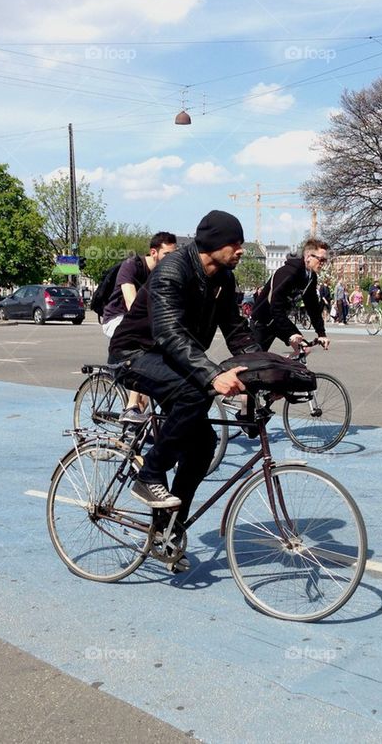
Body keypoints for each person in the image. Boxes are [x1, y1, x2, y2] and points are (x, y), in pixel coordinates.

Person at [107, 210, 259, 572]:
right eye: (234, 243)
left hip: (172, 358)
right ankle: (150, 474)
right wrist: (211, 376)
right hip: (135, 355)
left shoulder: (222, 278)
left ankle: (167, 529)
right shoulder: (172, 271)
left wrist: (269, 371)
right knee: (197, 392)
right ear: (212, 244)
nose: (240, 249)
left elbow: (236, 331)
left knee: (204, 444)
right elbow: (168, 332)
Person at [101, 232, 178, 423]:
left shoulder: (165, 273)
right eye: (168, 254)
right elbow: (131, 303)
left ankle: (145, 413)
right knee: (142, 349)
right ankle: (131, 407)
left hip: (143, 321)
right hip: (117, 319)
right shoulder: (132, 266)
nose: (173, 259)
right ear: (154, 252)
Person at [250, 238, 330, 353]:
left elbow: (313, 307)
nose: (323, 263)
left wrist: (321, 333)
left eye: (325, 260)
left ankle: (286, 370)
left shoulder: (311, 277)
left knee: (304, 349)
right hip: (262, 321)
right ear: (308, 256)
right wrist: (291, 332)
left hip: (279, 321)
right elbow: (275, 307)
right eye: (321, 259)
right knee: (254, 361)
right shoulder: (287, 273)